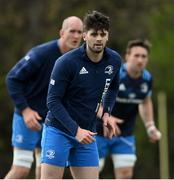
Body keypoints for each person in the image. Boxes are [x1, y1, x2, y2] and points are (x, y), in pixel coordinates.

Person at [40, 10, 122, 179]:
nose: (98, 38)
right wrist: (76, 131)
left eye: (102, 34)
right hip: (58, 130)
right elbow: (52, 101)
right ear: (85, 36)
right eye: (94, 34)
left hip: (87, 132)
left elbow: (113, 87)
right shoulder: (66, 62)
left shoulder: (114, 60)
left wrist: (106, 113)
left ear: (107, 36)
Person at [5, 16, 83, 179]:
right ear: (62, 32)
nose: (76, 36)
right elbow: (12, 78)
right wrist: (25, 111)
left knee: (45, 171)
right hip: (28, 117)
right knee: (21, 169)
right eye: (72, 31)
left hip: (52, 122)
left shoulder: (80, 60)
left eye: (79, 32)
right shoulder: (41, 53)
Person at [96, 39, 162, 179]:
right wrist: (107, 116)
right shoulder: (114, 73)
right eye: (136, 55)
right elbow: (92, 99)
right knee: (92, 172)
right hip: (98, 131)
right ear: (127, 56)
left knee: (126, 174)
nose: (140, 60)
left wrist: (150, 126)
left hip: (124, 134)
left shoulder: (147, 78)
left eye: (143, 56)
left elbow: (145, 101)